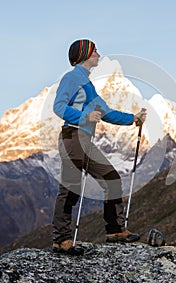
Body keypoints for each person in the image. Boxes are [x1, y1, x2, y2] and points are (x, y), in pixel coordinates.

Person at [52, 39, 147, 255]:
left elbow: (106, 112)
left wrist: (133, 118)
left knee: (69, 189)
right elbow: (58, 106)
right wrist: (85, 116)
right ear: (84, 54)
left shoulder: (87, 85)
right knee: (109, 178)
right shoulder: (72, 78)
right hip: (74, 137)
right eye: (93, 50)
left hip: (77, 138)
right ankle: (113, 230)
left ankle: (61, 240)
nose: (97, 53)